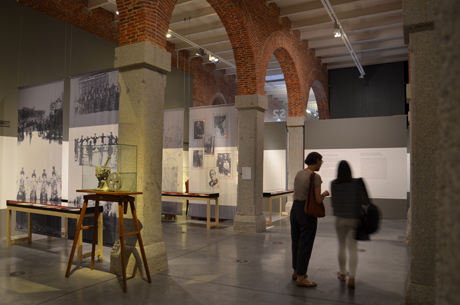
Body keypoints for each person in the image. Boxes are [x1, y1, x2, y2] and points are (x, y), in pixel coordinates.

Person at [291, 152, 329, 287]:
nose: (321, 164)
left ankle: (296, 271)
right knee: (305, 244)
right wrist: (324, 193)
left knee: (296, 241)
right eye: (321, 161)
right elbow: (318, 200)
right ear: (317, 160)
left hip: (295, 209)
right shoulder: (315, 177)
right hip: (307, 212)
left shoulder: (299, 173)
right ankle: (301, 278)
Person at [330, 160, 364, 289]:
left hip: (339, 219)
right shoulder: (356, 183)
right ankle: (352, 278)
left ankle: (343, 274)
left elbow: (333, 203)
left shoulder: (334, 183)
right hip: (353, 219)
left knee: (341, 245)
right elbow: (362, 201)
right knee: (353, 247)